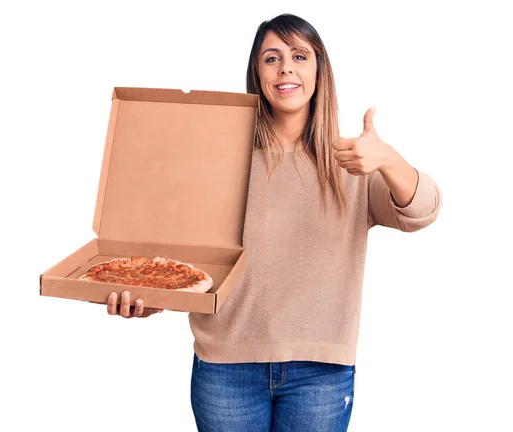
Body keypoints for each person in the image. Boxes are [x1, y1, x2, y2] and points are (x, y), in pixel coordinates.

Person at [104, 13, 442, 432]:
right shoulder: (219, 161)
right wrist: (152, 296)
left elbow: (422, 210)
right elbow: (192, 261)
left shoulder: (352, 160)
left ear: (319, 71)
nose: (286, 67)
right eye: (272, 58)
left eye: (300, 56)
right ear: (257, 73)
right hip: (225, 368)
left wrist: (389, 159)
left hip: (320, 373)